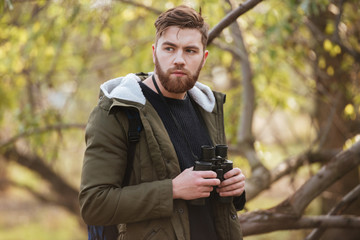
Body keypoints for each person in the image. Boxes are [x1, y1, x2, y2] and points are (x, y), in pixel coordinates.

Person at [79, 5, 246, 240]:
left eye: (190, 51)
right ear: (154, 51)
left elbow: (206, 196)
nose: (179, 59)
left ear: (203, 57)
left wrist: (234, 190)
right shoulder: (117, 111)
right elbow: (94, 205)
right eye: (170, 48)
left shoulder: (207, 107)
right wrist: (173, 189)